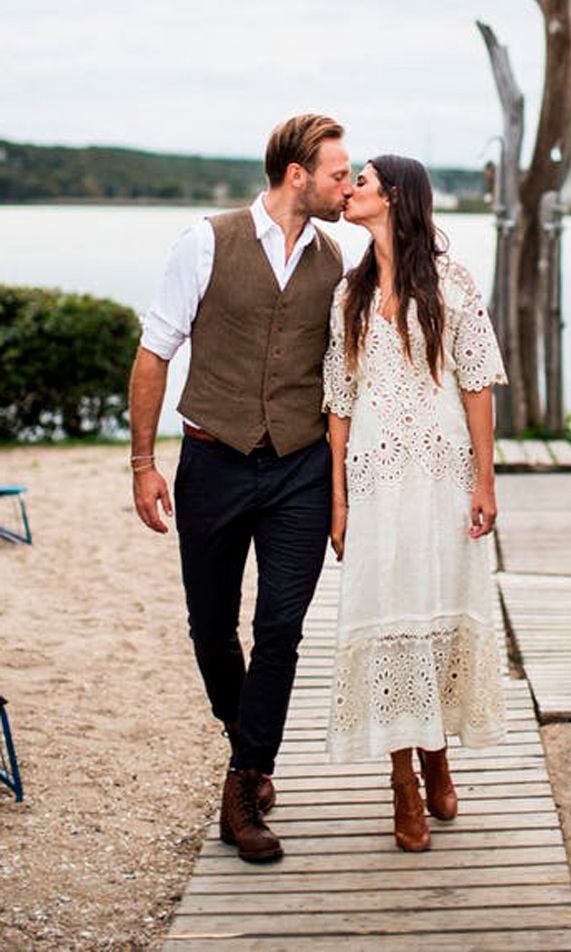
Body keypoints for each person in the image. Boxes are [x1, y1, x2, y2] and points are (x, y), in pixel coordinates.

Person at [129, 114, 353, 863]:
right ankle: (246, 735)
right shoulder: (205, 242)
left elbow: (348, 379)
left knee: (281, 630)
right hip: (213, 461)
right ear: (297, 174)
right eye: (336, 174)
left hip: (300, 468)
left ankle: (246, 778)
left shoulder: (335, 261)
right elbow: (156, 351)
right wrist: (141, 464)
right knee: (211, 627)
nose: (345, 186)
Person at [323, 155, 507, 852]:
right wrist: (337, 499)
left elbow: (478, 385)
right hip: (374, 481)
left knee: (435, 608)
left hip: (442, 477)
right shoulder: (349, 294)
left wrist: (485, 482)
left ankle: (436, 751)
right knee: (384, 610)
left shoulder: (452, 284)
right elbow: (338, 401)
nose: (349, 191)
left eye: (360, 182)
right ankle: (401, 778)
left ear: (394, 197)